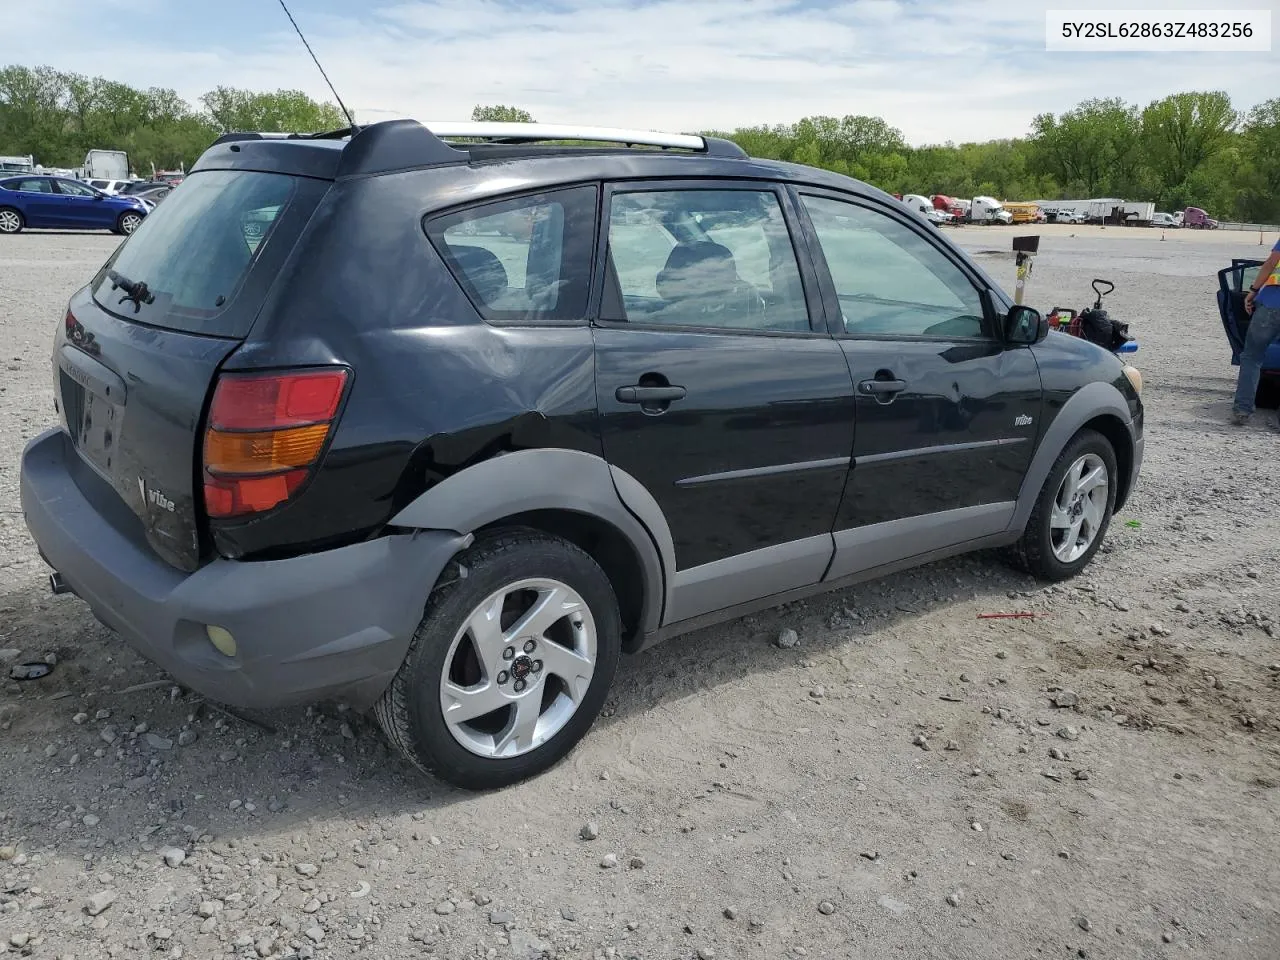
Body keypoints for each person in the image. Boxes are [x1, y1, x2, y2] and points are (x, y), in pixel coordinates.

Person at [1232, 237, 1280, 426]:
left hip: (1272, 303)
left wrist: (1253, 290)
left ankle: (1242, 411)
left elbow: (1270, 264)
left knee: (1252, 357)